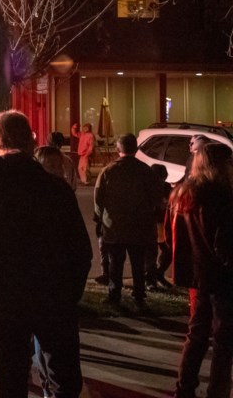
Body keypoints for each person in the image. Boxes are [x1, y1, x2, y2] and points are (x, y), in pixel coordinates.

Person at [0, 110, 92, 398]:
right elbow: (81, 250)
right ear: (30, 140)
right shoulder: (55, 189)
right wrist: (70, 292)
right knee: (63, 380)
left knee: (12, 382)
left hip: (8, 297)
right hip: (54, 296)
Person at [166, 142, 233, 398]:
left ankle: (184, 388)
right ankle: (218, 392)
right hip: (223, 278)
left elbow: (174, 239)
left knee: (196, 334)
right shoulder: (222, 197)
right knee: (224, 341)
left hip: (196, 277)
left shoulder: (182, 194)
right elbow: (225, 244)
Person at [93, 133, 159, 305]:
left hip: (114, 226)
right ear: (136, 149)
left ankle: (114, 294)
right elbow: (155, 197)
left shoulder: (108, 170)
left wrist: (100, 219)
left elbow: (98, 199)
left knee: (115, 262)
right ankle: (139, 294)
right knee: (137, 261)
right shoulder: (145, 170)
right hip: (139, 225)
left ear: (117, 149)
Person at [146, 163, 173, 290]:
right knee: (151, 252)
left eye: (163, 179)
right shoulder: (146, 187)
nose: (161, 182)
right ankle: (150, 279)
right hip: (151, 223)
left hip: (163, 223)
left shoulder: (167, 188)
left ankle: (158, 274)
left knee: (168, 250)